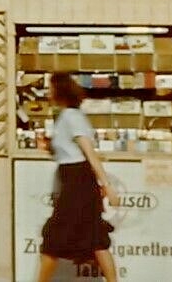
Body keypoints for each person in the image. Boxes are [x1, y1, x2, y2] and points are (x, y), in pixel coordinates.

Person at [36, 73, 118, 282]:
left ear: (59, 90)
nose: (48, 92)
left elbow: (88, 152)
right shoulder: (65, 116)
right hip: (75, 179)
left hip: (77, 181)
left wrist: (106, 185)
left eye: (51, 88)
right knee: (95, 238)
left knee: (54, 240)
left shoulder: (72, 116)